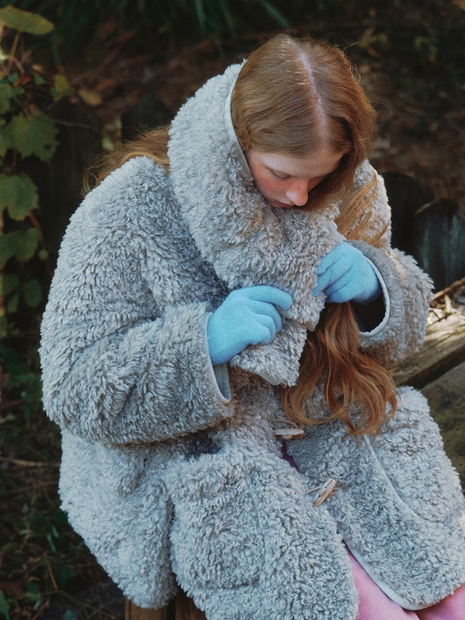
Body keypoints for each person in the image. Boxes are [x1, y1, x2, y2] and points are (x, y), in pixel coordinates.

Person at [39, 34, 465, 619]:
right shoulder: (131, 206)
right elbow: (72, 385)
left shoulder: (348, 186)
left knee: (448, 591)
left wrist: (377, 286)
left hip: (332, 433)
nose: (300, 195)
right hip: (208, 462)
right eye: (281, 173)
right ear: (241, 139)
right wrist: (203, 346)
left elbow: (398, 339)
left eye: (319, 178)